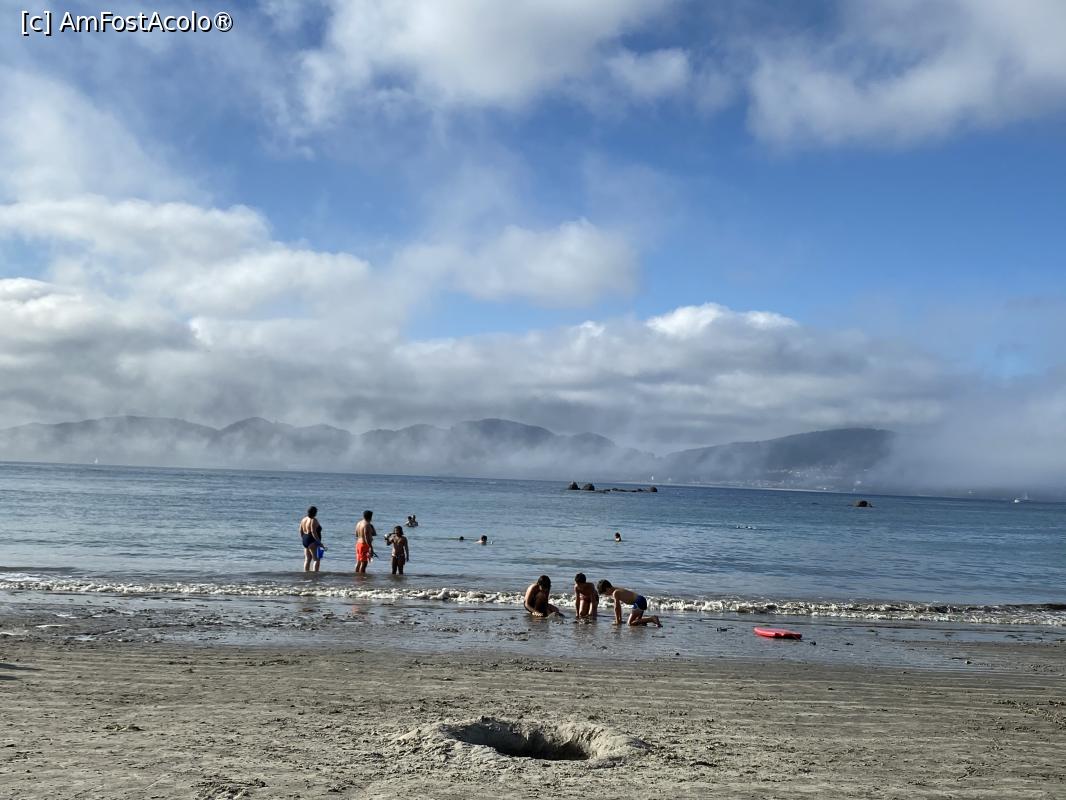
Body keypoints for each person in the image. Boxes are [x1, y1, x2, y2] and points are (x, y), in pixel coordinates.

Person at [596, 579, 661, 627]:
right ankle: (647, 621)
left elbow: (617, 608)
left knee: (630, 623)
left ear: (607, 589)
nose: (606, 595)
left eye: (605, 593)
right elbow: (618, 608)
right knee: (637, 621)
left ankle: (652, 618)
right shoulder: (616, 589)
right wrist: (619, 619)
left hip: (639, 602)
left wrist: (617, 621)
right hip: (641, 600)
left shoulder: (615, 593)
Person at [299, 506, 323, 573]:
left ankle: (306, 574)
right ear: (315, 513)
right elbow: (313, 532)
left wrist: (304, 539)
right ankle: (315, 575)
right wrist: (319, 542)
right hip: (312, 540)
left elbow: (300, 530)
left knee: (307, 559)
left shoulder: (303, 519)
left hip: (305, 539)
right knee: (316, 559)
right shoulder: (313, 520)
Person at [354, 510, 376, 574]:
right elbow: (366, 537)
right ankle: (362, 578)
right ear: (370, 517)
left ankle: (357, 576)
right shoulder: (367, 525)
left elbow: (356, 534)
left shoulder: (359, 523)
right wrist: (371, 547)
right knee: (364, 563)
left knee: (359, 562)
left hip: (358, 544)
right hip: (364, 544)